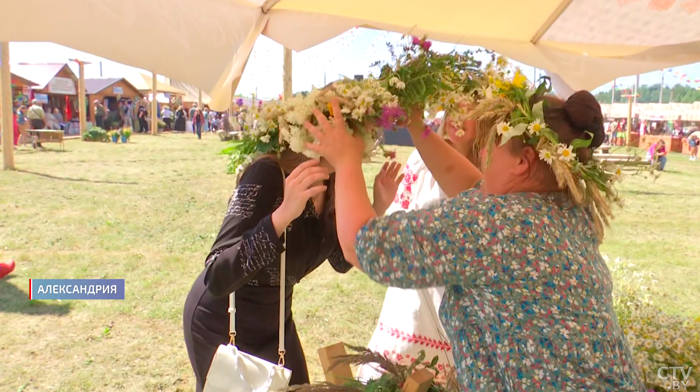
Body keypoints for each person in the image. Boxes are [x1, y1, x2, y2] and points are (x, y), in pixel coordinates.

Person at [304, 85, 645, 391]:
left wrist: (346, 159)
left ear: (523, 163)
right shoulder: (565, 210)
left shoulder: (496, 225)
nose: (484, 154)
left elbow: (363, 245)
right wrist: (416, 125)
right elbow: (469, 184)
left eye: (493, 145)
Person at [182, 150, 399, 392]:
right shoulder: (269, 173)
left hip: (276, 324)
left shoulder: (334, 182)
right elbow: (217, 274)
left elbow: (340, 258)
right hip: (222, 322)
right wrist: (284, 214)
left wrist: (377, 207)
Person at [357, 116, 480, 385]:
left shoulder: (489, 172)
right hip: (411, 293)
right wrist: (382, 201)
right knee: (401, 373)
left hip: (458, 296)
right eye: (453, 108)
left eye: (468, 109)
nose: (457, 117)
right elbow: (393, 224)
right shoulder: (421, 160)